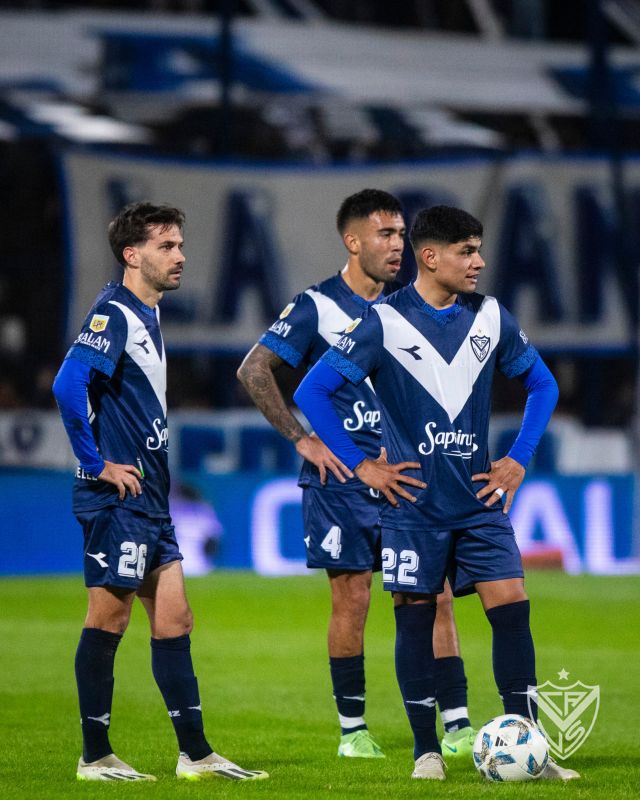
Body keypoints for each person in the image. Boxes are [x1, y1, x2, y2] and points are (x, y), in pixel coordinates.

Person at [293, 204, 581, 781]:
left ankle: (530, 748)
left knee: (513, 611)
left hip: (479, 503)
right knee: (415, 622)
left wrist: (518, 459)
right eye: (466, 251)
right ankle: (426, 751)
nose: (479, 262)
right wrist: (362, 465)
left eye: (478, 250)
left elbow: (543, 384)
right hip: (413, 507)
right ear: (430, 257)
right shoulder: (382, 322)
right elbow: (312, 390)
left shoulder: (490, 316)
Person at [237, 190, 476, 760]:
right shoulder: (316, 306)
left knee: (435, 595)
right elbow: (254, 369)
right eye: (385, 235)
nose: (398, 246)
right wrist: (301, 437)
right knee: (353, 599)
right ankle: (353, 732)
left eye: (400, 235)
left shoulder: (408, 308)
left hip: (407, 477)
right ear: (353, 241)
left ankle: (457, 725)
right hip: (343, 482)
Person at [52, 202, 267, 783]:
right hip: (117, 499)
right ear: (132, 254)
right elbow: (68, 384)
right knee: (109, 618)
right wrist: (95, 463)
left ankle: (195, 756)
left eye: (180, 245)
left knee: (175, 618)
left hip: (149, 499)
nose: (181, 256)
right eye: (166, 246)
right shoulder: (115, 313)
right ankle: (94, 756)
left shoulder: (146, 312)